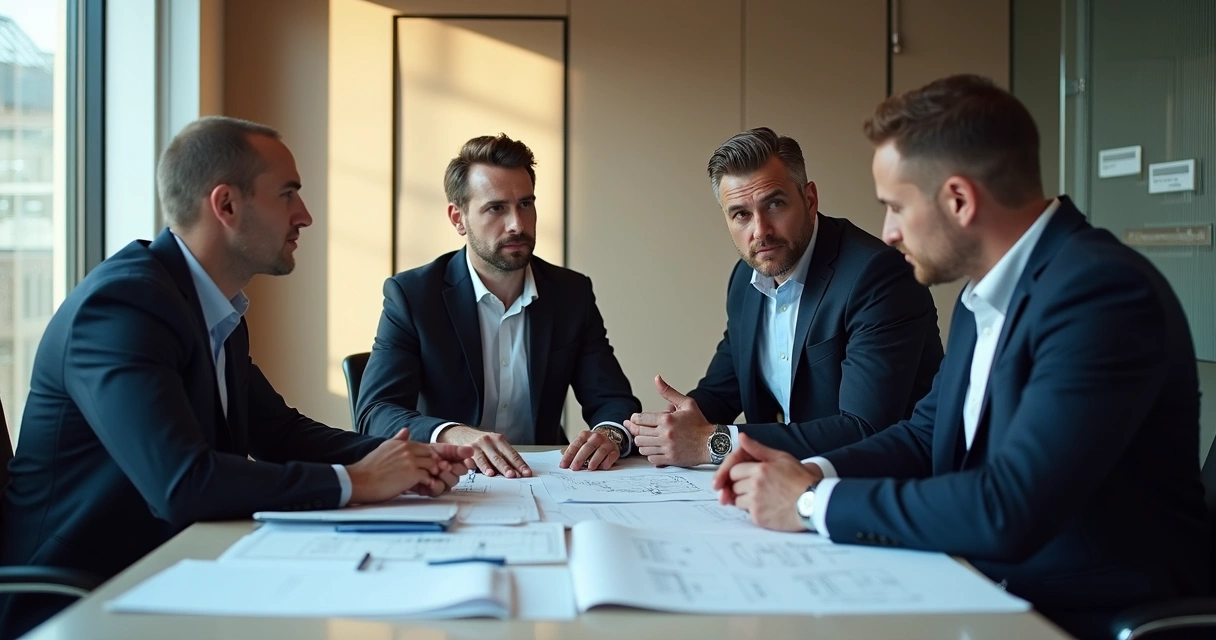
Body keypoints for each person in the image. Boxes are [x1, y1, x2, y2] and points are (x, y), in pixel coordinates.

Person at [714, 75, 1208, 639]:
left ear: (958, 200)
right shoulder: (985, 292)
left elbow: (1008, 506)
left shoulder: (1100, 295)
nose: (888, 232)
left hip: (1080, 615)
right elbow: (926, 435)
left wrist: (811, 503)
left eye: (896, 207)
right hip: (982, 585)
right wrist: (813, 471)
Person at [0, 116, 474, 639]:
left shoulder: (210, 307)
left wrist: (411, 458)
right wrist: (360, 481)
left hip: (173, 571)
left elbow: (280, 433)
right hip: (75, 600)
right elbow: (183, 483)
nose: (304, 215)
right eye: (288, 194)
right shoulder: (122, 307)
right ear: (225, 205)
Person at [626, 127, 942, 466]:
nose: (760, 230)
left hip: (880, 483)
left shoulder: (878, 276)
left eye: (774, 204)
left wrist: (712, 442)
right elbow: (721, 392)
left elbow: (865, 429)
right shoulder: (745, 279)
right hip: (783, 482)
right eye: (741, 214)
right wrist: (638, 435)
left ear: (809, 200)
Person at [356, 134, 641, 477]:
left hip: (546, 474)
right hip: (451, 476)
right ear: (458, 218)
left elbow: (612, 399)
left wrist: (610, 434)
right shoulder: (413, 295)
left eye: (525, 204)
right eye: (496, 208)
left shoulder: (571, 293)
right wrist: (452, 434)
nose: (517, 224)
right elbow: (376, 413)